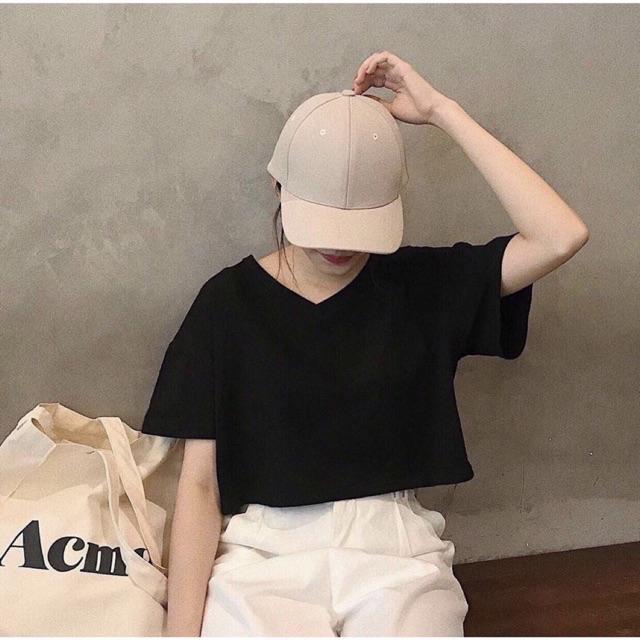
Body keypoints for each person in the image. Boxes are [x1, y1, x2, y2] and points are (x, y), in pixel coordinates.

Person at [140, 50, 589, 637]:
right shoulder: (227, 305)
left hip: (395, 554)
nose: (339, 247)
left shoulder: (422, 285)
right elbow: (200, 486)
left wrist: (442, 111)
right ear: (278, 186)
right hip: (261, 557)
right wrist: (181, 632)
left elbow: (561, 235)